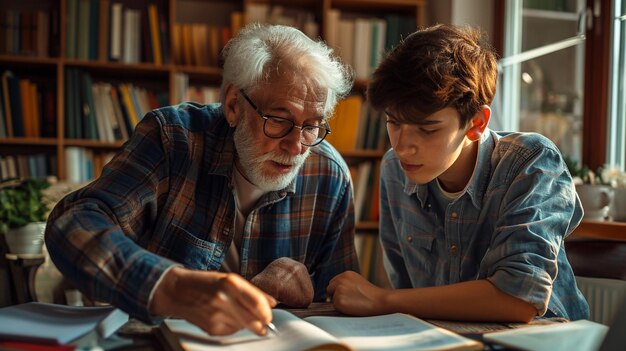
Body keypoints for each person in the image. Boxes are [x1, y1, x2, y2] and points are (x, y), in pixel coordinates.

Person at [45, 23, 358, 336]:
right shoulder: (173, 139)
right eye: (279, 120)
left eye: (312, 126)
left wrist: (309, 290)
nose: (296, 146)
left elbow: (342, 308)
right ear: (234, 105)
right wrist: (171, 287)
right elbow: (73, 224)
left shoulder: (329, 175)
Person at [327, 24, 589, 322]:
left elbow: (519, 300)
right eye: (394, 123)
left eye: (427, 130)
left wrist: (382, 300)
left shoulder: (532, 162)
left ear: (477, 123)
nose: (402, 147)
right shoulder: (393, 171)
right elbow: (410, 295)